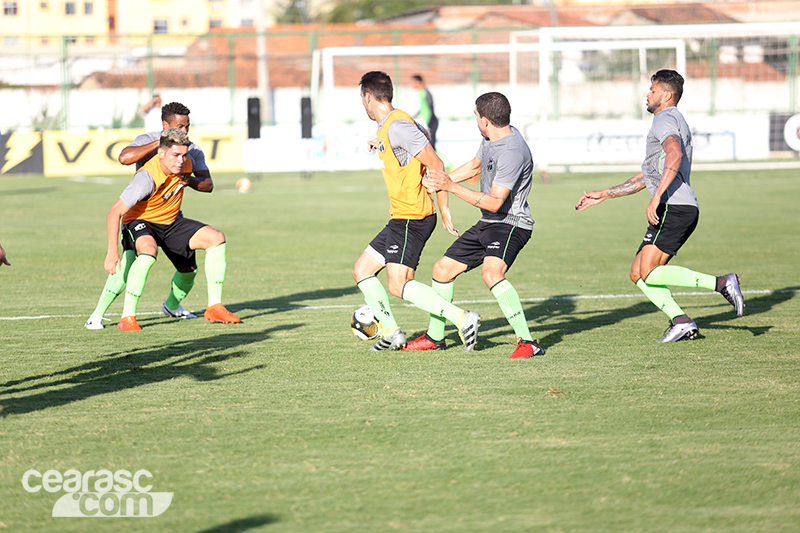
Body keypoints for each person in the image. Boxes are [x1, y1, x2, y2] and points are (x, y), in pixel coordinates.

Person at [575, 69, 744, 342]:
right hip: (677, 206)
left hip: (674, 206)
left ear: (666, 95)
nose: (647, 94)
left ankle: (721, 283)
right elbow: (648, 176)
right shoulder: (673, 119)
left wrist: (656, 197)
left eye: (652, 90)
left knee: (648, 272)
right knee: (637, 272)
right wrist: (604, 194)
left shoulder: (664, 119)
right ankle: (682, 322)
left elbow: (674, 154)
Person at [353, 71, 481, 352]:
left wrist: (444, 207)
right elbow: (413, 143)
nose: (362, 103)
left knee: (399, 286)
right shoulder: (392, 124)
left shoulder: (397, 126)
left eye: (362, 98)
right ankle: (392, 333)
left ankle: (463, 319)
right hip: (400, 216)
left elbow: (435, 162)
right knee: (362, 270)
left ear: (368, 96)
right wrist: (381, 144)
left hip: (413, 216)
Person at [413, 92, 545, 359]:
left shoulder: (512, 152)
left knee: (491, 273)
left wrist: (450, 187)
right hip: (488, 222)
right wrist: (442, 179)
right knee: (441, 270)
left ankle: (528, 342)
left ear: (485, 120)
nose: (475, 120)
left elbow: (496, 202)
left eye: (475, 115)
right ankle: (435, 338)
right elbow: (475, 167)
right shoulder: (491, 138)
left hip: (511, 223)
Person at [85, 101, 215, 329]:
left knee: (189, 268)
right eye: (179, 127)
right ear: (165, 125)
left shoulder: (189, 151)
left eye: (187, 127)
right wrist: (162, 144)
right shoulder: (149, 158)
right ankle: (105, 315)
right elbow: (124, 159)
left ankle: (174, 306)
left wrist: (190, 178)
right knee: (132, 263)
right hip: (139, 216)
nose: (184, 132)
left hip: (169, 218)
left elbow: (208, 185)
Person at [410, 75, 438, 151]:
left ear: (419, 82)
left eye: (413, 82)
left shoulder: (426, 93)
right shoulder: (419, 93)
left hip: (430, 122)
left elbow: (429, 109)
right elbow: (422, 108)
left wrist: (427, 123)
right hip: (425, 122)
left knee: (431, 148)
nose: (411, 84)